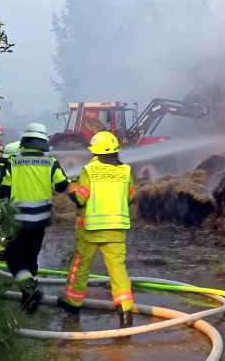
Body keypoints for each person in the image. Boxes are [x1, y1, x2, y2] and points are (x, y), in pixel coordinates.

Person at [58, 131, 136, 328]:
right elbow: (130, 198)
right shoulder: (126, 171)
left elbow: (80, 197)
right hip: (116, 230)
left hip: (90, 230)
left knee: (80, 266)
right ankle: (126, 313)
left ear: (96, 152)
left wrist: (71, 189)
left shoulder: (89, 171)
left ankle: (73, 304)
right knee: (118, 271)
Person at [0, 123, 70, 314]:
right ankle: (28, 302)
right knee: (31, 260)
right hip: (40, 221)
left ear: (25, 141)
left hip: (17, 220)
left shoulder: (12, 163)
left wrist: (0, 216)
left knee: (13, 258)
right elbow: (62, 186)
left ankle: (31, 292)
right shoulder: (51, 162)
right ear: (42, 143)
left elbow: (3, 193)